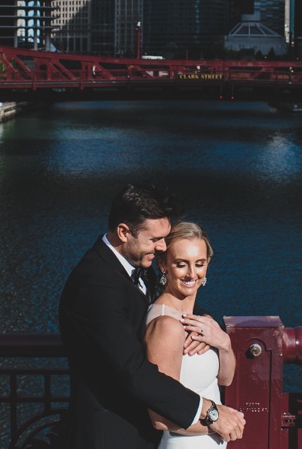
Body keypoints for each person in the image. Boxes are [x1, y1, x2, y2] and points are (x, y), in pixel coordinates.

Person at [59, 184, 245, 449]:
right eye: (154, 239)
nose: (161, 247)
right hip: (110, 435)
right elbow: (133, 370)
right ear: (123, 232)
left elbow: (168, 300)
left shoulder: (137, 266)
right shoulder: (95, 284)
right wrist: (210, 412)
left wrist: (205, 329)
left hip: (143, 433)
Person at [145, 221, 235, 447]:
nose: (192, 274)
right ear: (163, 264)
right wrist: (218, 421)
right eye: (181, 264)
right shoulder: (166, 325)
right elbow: (159, 418)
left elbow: (225, 379)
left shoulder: (201, 319)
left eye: (199, 263)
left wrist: (224, 343)